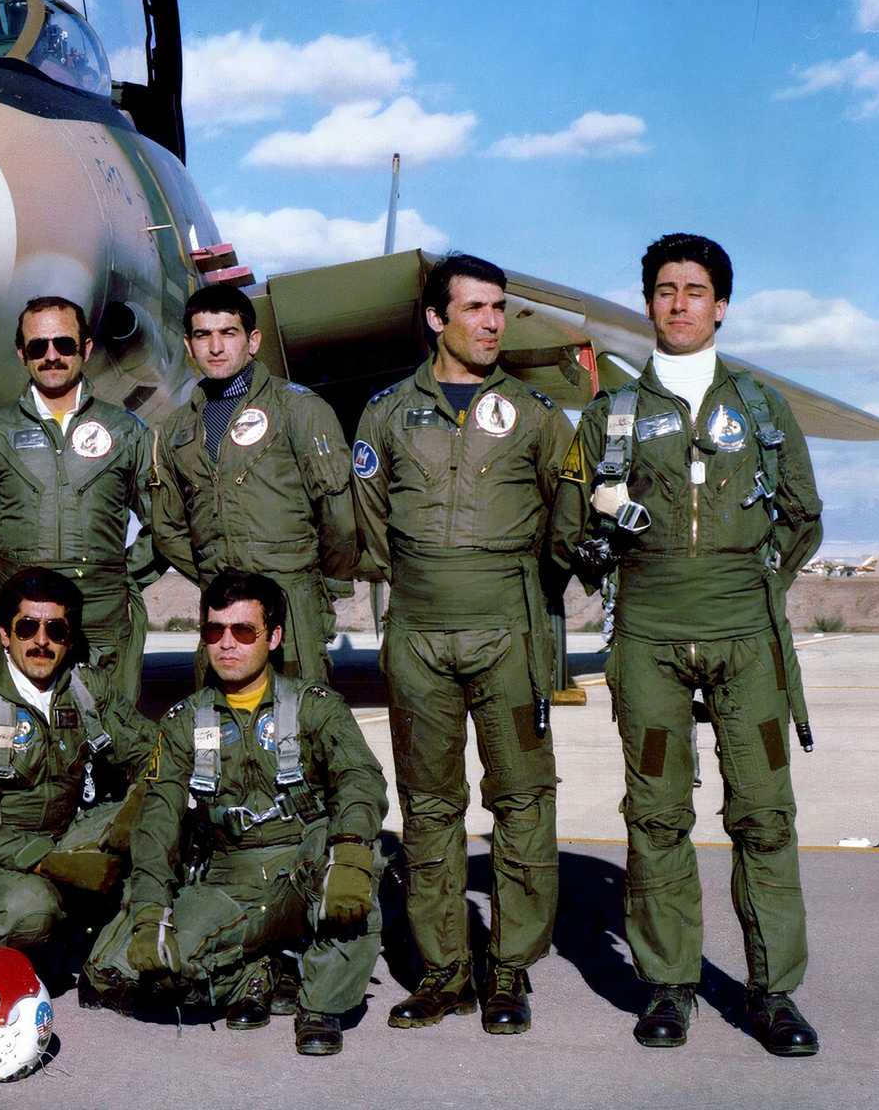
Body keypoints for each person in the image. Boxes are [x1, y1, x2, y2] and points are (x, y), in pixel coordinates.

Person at [551, 234, 823, 1056]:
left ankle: (773, 994)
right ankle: (668, 985)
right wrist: (604, 537)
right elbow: (570, 526)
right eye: (664, 289)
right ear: (647, 304)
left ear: (721, 305)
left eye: (695, 290)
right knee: (658, 815)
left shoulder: (764, 408)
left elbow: (804, 517)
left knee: (765, 817)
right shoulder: (609, 416)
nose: (679, 303)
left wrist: (754, 588)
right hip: (651, 638)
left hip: (747, 639)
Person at [351, 254, 570, 1034]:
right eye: (473, 308)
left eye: (499, 308)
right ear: (437, 319)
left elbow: (565, 524)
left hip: (508, 632)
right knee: (429, 806)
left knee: (520, 800)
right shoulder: (385, 413)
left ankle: (508, 968)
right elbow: (372, 522)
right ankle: (444, 971)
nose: (490, 323)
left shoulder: (539, 414)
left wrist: (504, 586)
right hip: (417, 632)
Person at [86, 571, 388, 1056]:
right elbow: (158, 817)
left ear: (273, 637)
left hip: (304, 865)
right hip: (229, 876)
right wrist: (148, 908)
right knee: (129, 974)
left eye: (243, 632)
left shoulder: (316, 707)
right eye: (214, 631)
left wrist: (350, 848)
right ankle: (258, 969)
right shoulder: (184, 720)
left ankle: (320, 1003)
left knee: (353, 872)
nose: (226, 644)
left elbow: (361, 779)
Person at [0, 567, 154, 983]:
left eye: (56, 629)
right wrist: (49, 863)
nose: (41, 641)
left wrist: (136, 805)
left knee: (160, 811)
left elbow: (155, 753)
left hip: (65, 838)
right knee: (32, 911)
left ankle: (104, 960)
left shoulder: (86, 691)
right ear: (4, 634)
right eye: (27, 627)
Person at [0, 295, 160, 704]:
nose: (51, 356)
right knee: (20, 743)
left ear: (85, 349)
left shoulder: (125, 430)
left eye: (64, 344)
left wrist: (121, 578)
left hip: (103, 623)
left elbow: (163, 521)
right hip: (26, 623)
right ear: (21, 354)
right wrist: (4, 589)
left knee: (110, 742)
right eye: (37, 347)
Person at [150, 284, 357, 686]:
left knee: (299, 727)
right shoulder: (175, 430)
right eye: (202, 335)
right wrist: (217, 573)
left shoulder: (299, 408)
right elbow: (167, 528)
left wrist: (319, 590)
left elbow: (339, 517)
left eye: (228, 333)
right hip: (221, 609)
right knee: (219, 732)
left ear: (253, 340)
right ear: (189, 346)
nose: (215, 347)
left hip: (292, 601)